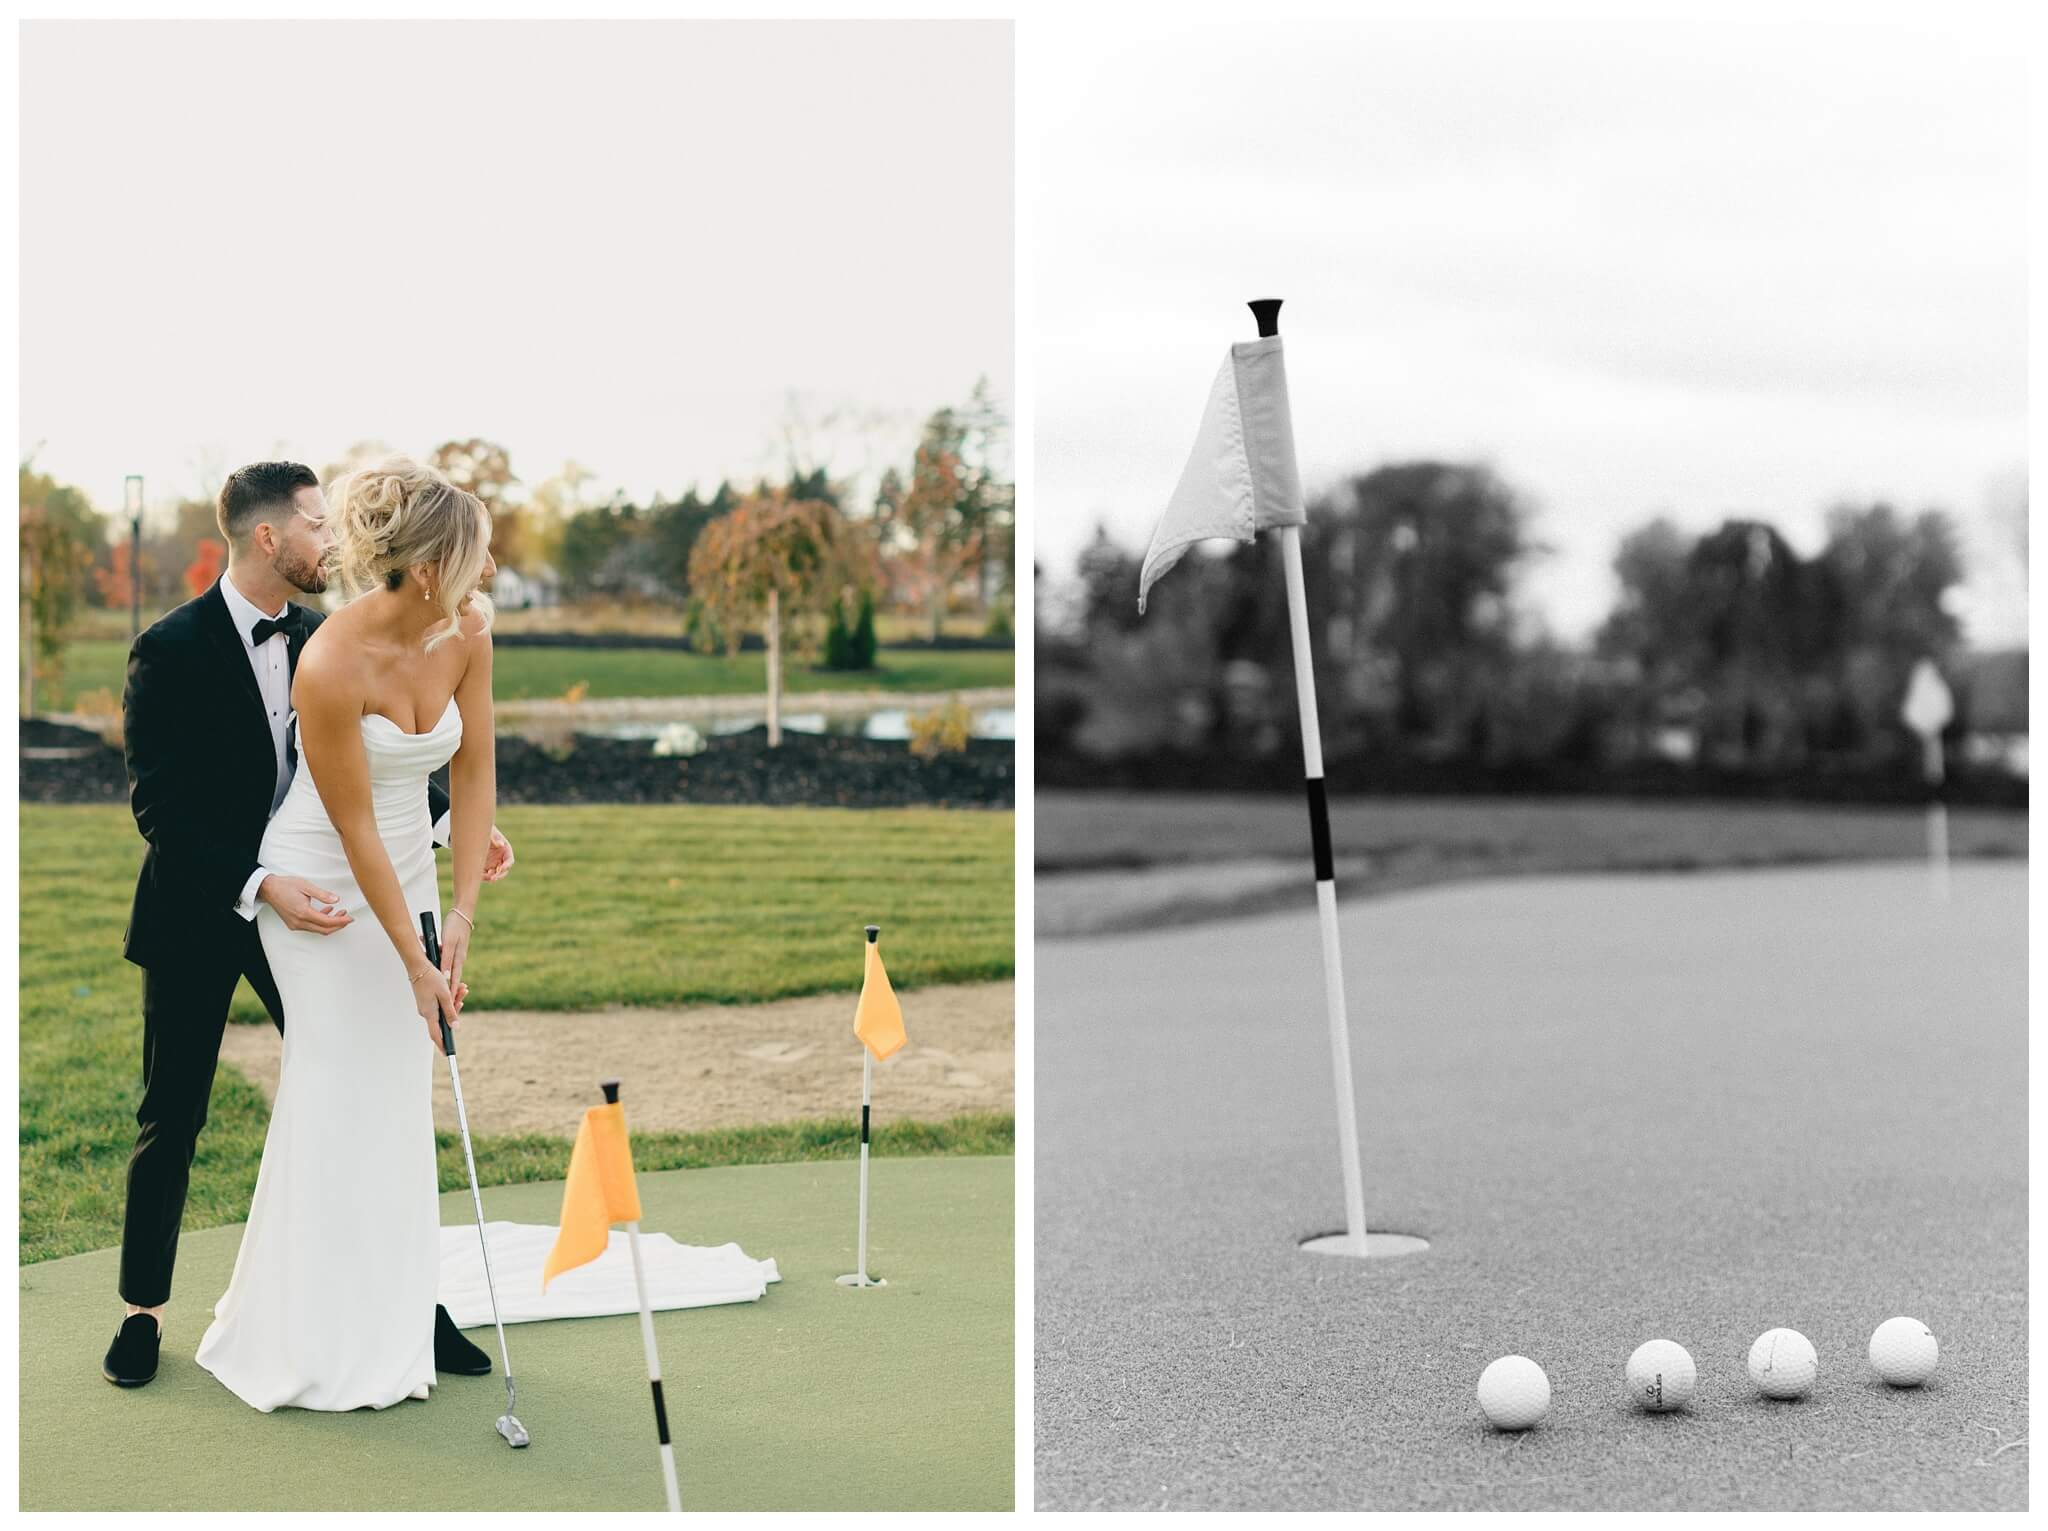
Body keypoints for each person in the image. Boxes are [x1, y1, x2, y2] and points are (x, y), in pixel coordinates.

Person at [105, 459, 514, 1400]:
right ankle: (142, 1311)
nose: (332, 541)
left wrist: (457, 825)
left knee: (362, 1091)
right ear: (267, 538)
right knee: (175, 1109)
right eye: (314, 525)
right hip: (214, 904)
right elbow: (161, 807)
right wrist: (259, 882)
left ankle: (403, 1305)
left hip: (335, 893)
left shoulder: (329, 632)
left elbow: (376, 769)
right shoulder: (167, 650)